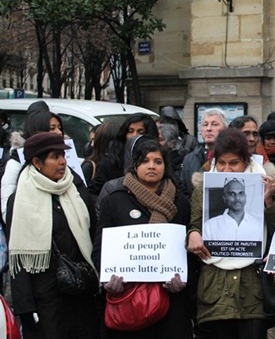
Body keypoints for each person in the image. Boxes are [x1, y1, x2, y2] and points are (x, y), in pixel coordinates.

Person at [186, 128, 275, 339]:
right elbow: (194, 225)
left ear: (246, 162)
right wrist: (193, 235)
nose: (226, 169)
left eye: (234, 163)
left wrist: (268, 200)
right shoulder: (202, 189)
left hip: (253, 290)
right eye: (221, 163)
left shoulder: (269, 184)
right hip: (216, 290)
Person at [93, 138, 192, 338]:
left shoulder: (180, 203)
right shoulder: (114, 201)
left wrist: (183, 280)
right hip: (128, 299)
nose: (151, 166)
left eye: (157, 161)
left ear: (165, 166)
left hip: (170, 304)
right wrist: (108, 280)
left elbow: (188, 252)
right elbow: (100, 249)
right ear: (135, 165)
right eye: (145, 161)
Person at [6, 132, 98, 338]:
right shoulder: (20, 199)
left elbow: (93, 231)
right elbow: (18, 257)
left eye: (63, 156)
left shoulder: (75, 187)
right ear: (37, 162)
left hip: (80, 292)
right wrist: (26, 310)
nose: (62, 162)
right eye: (55, 157)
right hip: (46, 299)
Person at [1, 111, 64, 221]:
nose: (59, 132)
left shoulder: (66, 167)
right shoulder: (17, 163)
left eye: (59, 127)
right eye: (52, 128)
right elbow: (8, 212)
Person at [89, 113, 159, 198]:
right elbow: (94, 194)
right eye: (130, 131)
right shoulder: (111, 161)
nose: (134, 135)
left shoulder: (158, 159)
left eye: (141, 132)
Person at [181, 108, 229, 197]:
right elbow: (184, 190)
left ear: (225, 129)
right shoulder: (189, 158)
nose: (209, 129)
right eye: (205, 125)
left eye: (214, 124)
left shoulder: (233, 156)